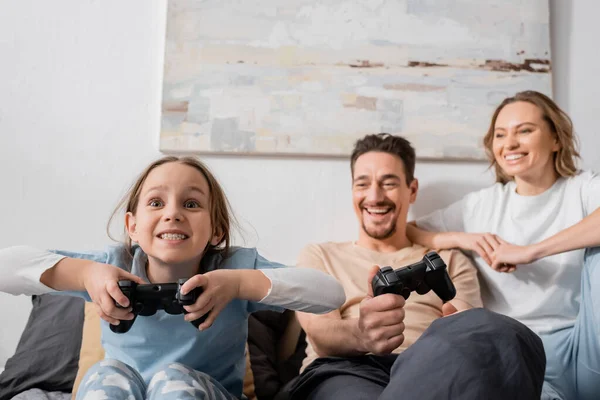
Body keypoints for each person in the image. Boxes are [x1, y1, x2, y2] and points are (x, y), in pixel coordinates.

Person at [0, 156, 346, 400]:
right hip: (123, 390)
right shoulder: (113, 264)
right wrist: (85, 273)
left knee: (174, 378)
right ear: (132, 227)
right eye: (155, 203)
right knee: (106, 376)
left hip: (206, 393)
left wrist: (240, 284)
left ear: (217, 230)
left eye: (191, 204)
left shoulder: (234, 268)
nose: (173, 214)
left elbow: (329, 294)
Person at [285, 133, 546, 400]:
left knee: (506, 332)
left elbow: (470, 334)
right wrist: (362, 335)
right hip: (344, 371)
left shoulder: (451, 260)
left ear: (412, 190)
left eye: (388, 183)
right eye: (362, 184)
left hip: (432, 366)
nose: (374, 196)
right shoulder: (319, 255)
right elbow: (321, 335)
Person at [407, 90, 600, 400]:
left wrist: (531, 251)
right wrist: (463, 238)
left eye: (524, 130)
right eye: (500, 134)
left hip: (586, 347)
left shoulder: (582, 189)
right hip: (516, 350)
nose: (509, 143)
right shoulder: (481, 207)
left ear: (555, 139)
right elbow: (411, 230)